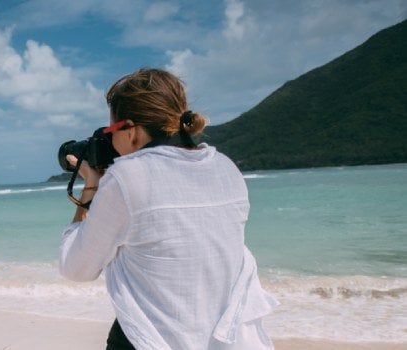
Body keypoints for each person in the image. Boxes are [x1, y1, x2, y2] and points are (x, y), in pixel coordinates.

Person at [59, 68, 279, 349]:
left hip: (150, 340)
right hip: (222, 340)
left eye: (111, 131)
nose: (110, 141)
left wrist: (92, 184)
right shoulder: (226, 168)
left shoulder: (127, 177)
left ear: (131, 130)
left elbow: (77, 267)